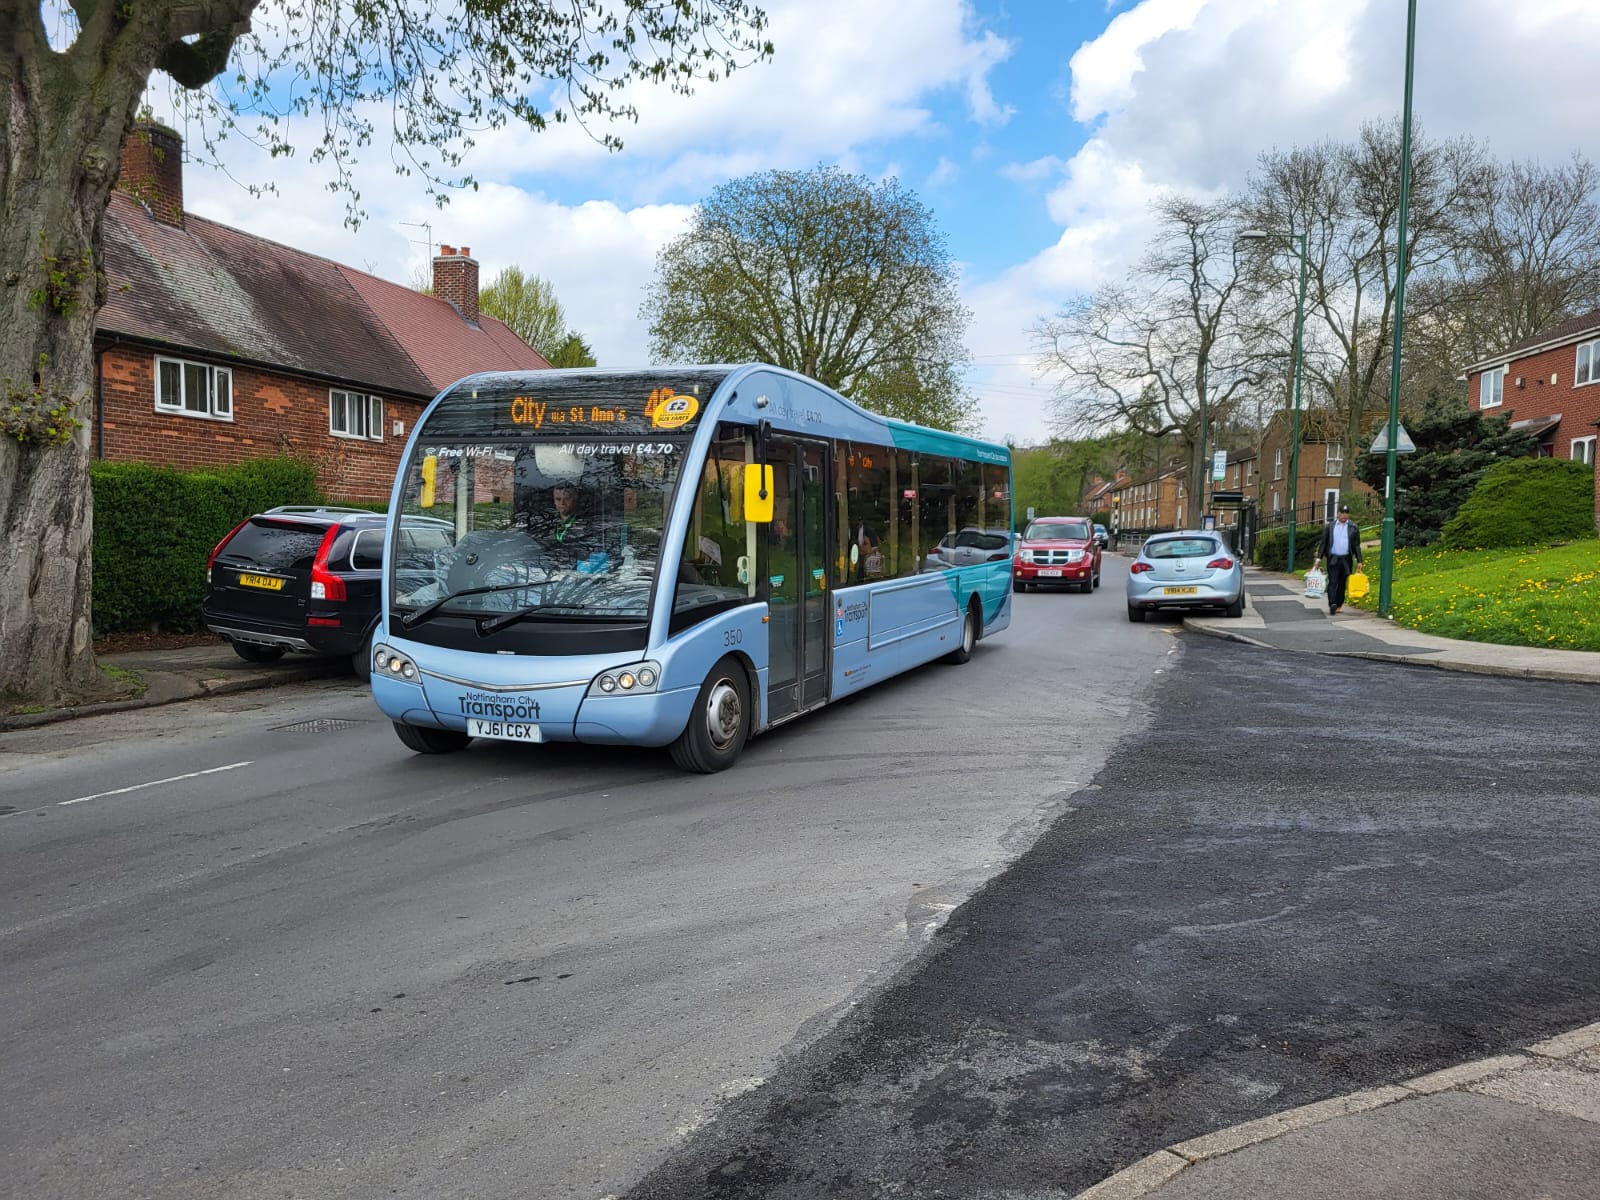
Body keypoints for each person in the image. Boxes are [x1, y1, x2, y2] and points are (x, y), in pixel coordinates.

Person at [525, 482, 595, 565]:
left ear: (575, 500)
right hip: (544, 572)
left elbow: (594, 559)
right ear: (554, 501)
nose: (562, 503)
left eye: (567, 499)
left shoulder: (590, 525)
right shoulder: (543, 524)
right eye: (558, 499)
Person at [1312, 503, 1363, 615]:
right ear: (1338, 514)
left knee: (1342, 582)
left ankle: (1339, 604)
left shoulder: (1353, 528)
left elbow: (1356, 545)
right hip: (1333, 558)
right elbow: (1324, 543)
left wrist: (1359, 560)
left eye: (1346, 513)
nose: (1344, 516)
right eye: (1342, 513)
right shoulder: (1330, 526)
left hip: (1346, 559)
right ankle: (1332, 603)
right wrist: (1318, 559)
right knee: (1333, 581)